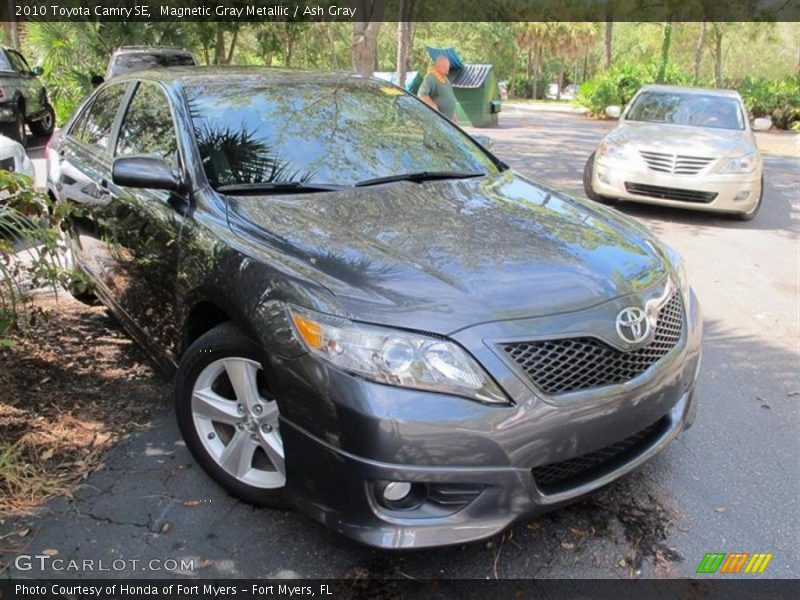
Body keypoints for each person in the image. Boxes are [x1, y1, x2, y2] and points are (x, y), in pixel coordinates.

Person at [417, 56, 458, 122]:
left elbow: (449, 97)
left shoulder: (445, 79)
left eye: (448, 66)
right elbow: (421, 94)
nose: (447, 69)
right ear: (438, 66)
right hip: (437, 121)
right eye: (445, 67)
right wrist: (433, 106)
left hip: (449, 120)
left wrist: (453, 113)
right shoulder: (431, 78)